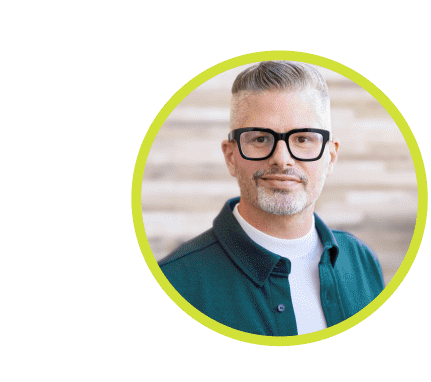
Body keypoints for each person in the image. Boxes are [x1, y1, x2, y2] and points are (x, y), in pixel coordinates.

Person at [160, 61, 385, 336]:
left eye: (303, 139)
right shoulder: (174, 284)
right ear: (231, 156)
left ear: (331, 157)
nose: (281, 158)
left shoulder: (361, 261)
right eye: (260, 139)